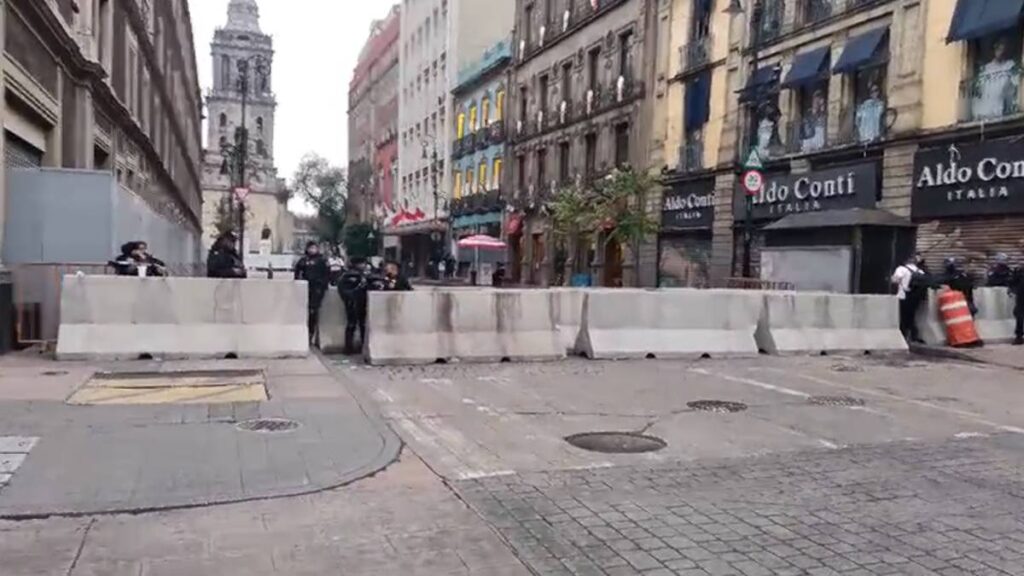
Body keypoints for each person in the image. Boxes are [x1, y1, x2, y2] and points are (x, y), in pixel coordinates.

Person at [972, 37, 1020, 121]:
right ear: (994, 50)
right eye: (998, 48)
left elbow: (1014, 84)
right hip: (987, 109)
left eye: (1002, 48)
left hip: (1002, 108)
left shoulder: (1010, 65)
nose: (1000, 51)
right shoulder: (987, 68)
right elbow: (980, 88)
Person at [294, 241, 330, 348]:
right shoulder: (303, 260)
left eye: (314, 248)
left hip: (317, 288)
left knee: (313, 311)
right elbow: (297, 273)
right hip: (305, 288)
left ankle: (311, 334)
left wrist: (323, 285)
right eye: (311, 248)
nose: (312, 250)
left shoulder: (322, 260)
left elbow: (327, 274)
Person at [338, 258, 371, 354]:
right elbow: (343, 290)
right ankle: (348, 347)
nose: (363, 265)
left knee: (361, 324)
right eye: (361, 263)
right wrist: (350, 297)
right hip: (353, 302)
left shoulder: (364, 275)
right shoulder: (349, 275)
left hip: (361, 302)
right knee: (352, 324)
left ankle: (359, 346)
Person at [892, 255, 927, 344]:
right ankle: (913, 336)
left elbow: (895, 280)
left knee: (903, 317)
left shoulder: (901, 269)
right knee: (911, 316)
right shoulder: (920, 271)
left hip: (903, 296)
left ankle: (903, 336)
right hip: (916, 298)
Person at [1011, 263, 1024, 346]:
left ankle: (1019, 336)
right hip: (1021, 297)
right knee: (1019, 316)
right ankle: (1019, 336)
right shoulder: (1019, 271)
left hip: (1020, 297)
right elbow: (1012, 282)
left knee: (1019, 315)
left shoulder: (1019, 271)